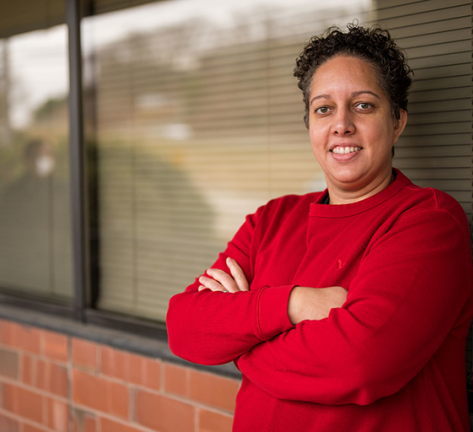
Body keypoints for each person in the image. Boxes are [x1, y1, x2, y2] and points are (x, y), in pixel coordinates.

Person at [166, 23, 473, 431]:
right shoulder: (271, 220)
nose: (341, 124)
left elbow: (359, 363)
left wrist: (243, 342)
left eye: (363, 105)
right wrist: (294, 304)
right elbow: (185, 326)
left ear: (397, 121)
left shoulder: (429, 221)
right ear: (310, 124)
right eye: (323, 108)